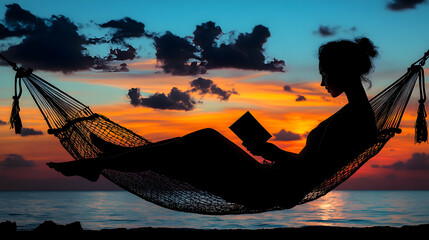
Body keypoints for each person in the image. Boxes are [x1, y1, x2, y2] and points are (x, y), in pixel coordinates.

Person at [48, 37, 378, 208]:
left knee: (203, 142)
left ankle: (111, 160)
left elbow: (310, 171)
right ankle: (114, 159)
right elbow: (313, 166)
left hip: (271, 188)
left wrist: (271, 153)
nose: (322, 82)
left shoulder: (356, 119)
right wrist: (269, 150)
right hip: (272, 181)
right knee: (191, 156)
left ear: (341, 70)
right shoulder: (355, 115)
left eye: (324, 73)